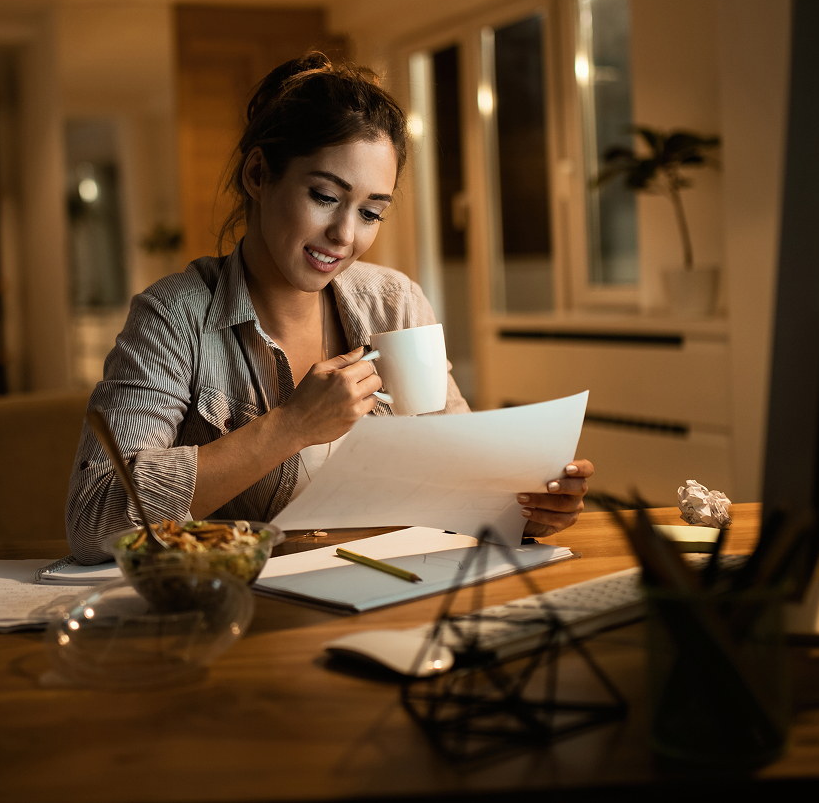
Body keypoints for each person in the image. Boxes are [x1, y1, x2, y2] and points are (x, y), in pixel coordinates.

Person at [65, 53, 592, 563]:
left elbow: (461, 483)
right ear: (257, 174)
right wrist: (290, 426)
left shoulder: (394, 302)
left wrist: (523, 509)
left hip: (394, 586)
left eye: (369, 212)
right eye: (323, 196)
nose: (344, 235)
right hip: (253, 607)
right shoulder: (175, 317)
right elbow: (94, 522)